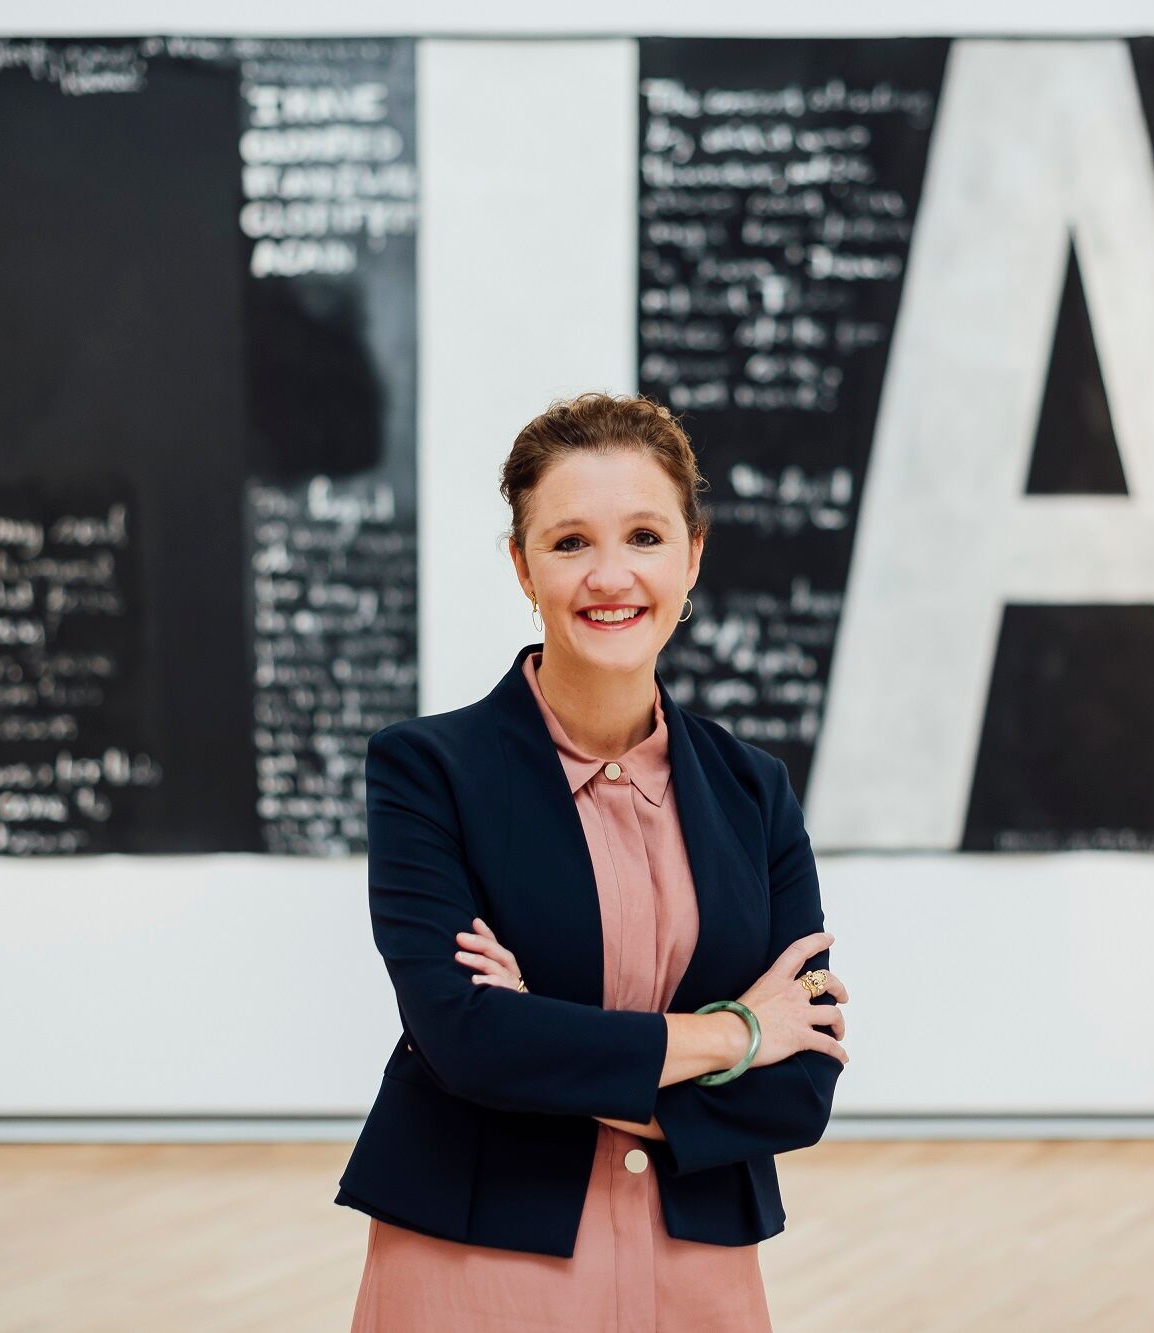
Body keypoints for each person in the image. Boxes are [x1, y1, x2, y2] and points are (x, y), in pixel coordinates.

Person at [337, 391, 851, 1331]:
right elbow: (464, 1041)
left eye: (646, 537)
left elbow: (800, 1088)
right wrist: (734, 1035)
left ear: (693, 556)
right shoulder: (426, 772)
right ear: (522, 568)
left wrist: (546, 1039)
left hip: (698, 1270)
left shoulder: (754, 791)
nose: (610, 575)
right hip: (478, 1261)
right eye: (570, 541)